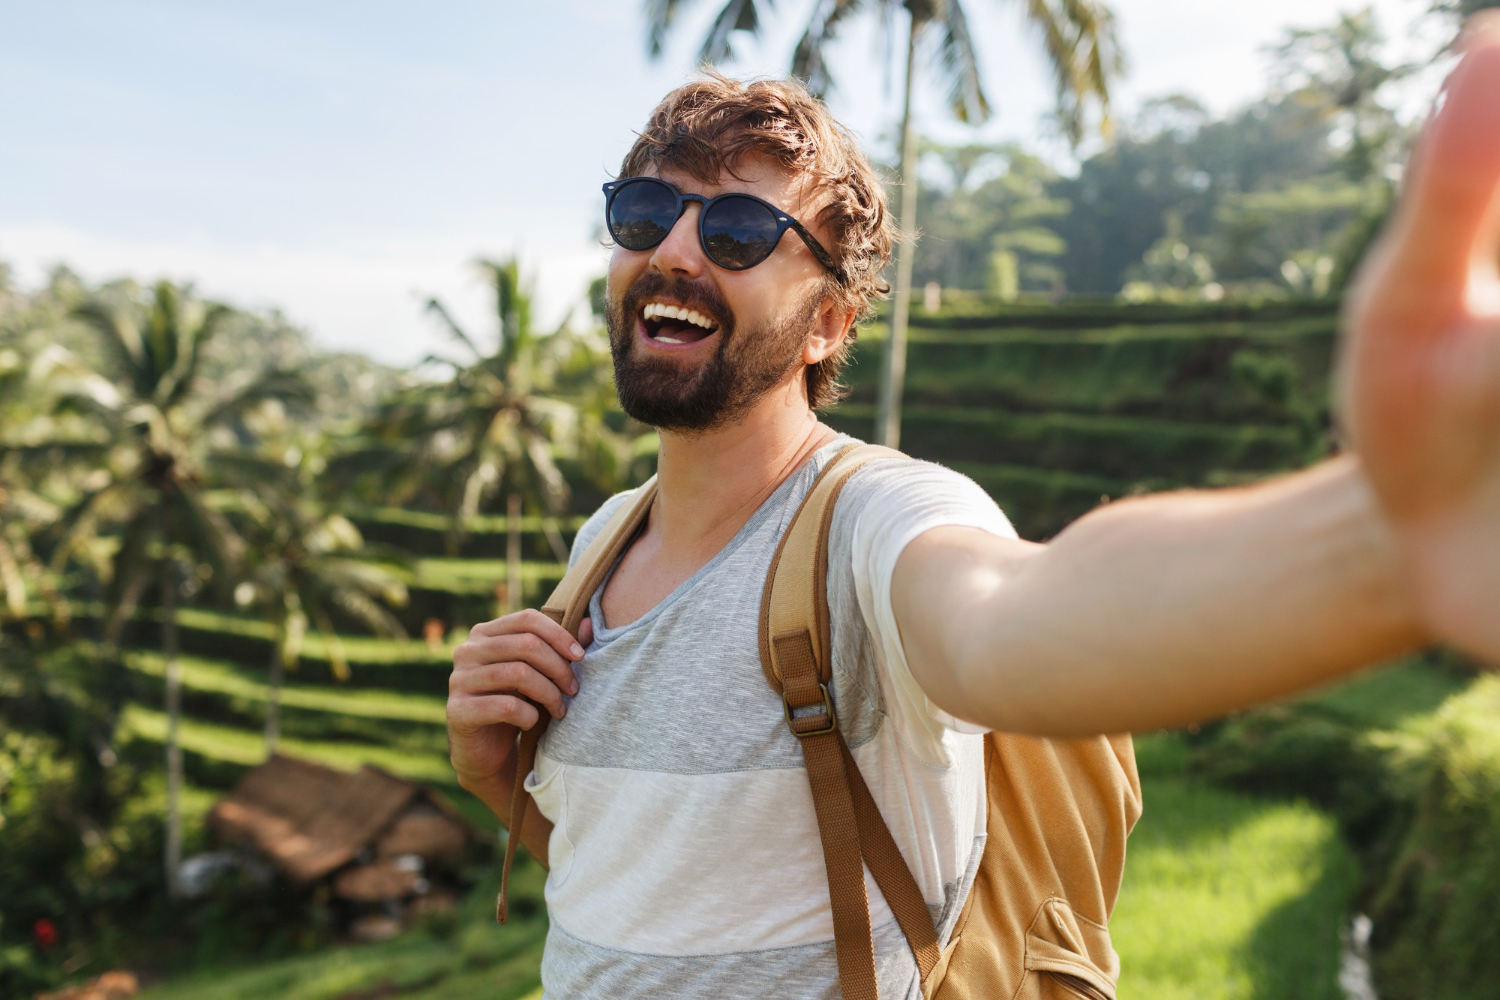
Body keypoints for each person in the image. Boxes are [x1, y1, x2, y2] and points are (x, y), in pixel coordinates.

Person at [447, 17, 1500, 998]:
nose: (675, 249)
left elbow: (1023, 620)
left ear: (827, 323)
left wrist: (1379, 542)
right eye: (645, 212)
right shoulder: (602, 543)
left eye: (737, 230)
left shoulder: (872, 524)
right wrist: (494, 773)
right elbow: (643, 879)